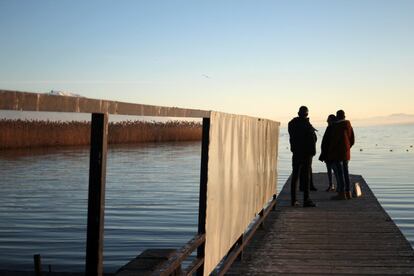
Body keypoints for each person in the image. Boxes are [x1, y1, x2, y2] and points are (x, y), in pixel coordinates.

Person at [288, 106, 317, 207]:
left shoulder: (291, 124)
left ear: (298, 113)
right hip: (306, 154)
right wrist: (313, 152)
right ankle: (306, 199)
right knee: (306, 177)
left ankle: (294, 200)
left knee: (295, 176)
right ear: (307, 114)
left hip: (296, 153)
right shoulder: (307, 125)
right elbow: (313, 139)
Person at [329, 110, 355, 200]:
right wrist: (347, 149)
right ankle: (348, 193)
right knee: (346, 173)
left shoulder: (337, 126)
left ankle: (342, 194)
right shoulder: (349, 125)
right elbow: (352, 140)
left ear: (337, 117)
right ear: (344, 116)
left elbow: (334, 141)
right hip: (346, 154)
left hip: (338, 154)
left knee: (340, 174)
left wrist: (331, 151)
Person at [319, 114, 337, 192]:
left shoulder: (333, 128)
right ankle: (331, 185)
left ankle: (336, 186)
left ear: (331, 120)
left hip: (331, 153)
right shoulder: (329, 128)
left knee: (335, 170)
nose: (327, 121)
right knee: (330, 169)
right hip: (327, 153)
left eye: (328, 119)